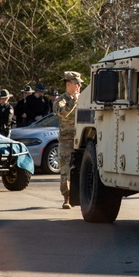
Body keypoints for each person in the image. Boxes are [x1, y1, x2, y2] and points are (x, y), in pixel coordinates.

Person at [55, 71, 83, 209]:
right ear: (68, 84)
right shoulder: (62, 100)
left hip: (82, 138)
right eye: (76, 84)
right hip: (67, 139)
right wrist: (74, 101)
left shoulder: (82, 99)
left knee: (81, 169)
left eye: (79, 84)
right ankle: (67, 197)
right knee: (66, 169)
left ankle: (81, 197)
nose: (79, 86)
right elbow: (62, 113)